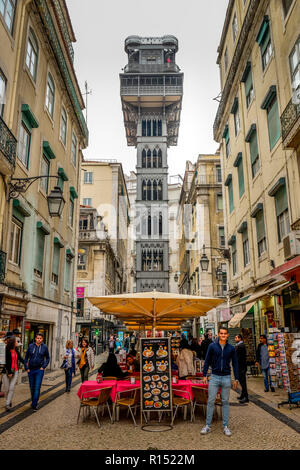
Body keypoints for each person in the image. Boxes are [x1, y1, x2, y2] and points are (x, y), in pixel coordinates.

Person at [201, 326, 239, 437]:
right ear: (218, 334)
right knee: (211, 401)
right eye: (221, 333)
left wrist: (236, 378)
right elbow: (207, 360)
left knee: (225, 402)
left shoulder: (231, 348)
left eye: (225, 333)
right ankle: (207, 425)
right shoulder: (212, 346)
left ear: (227, 335)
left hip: (226, 377)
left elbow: (235, 364)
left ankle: (226, 426)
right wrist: (204, 375)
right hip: (214, 376)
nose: (223, 335)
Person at [24, 332, 50, 411]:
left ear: (42, 339)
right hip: (31, 370)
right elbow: (26, 358)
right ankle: (33, 401)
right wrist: (26, 368)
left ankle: (35, 404)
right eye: (37, 338)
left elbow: (48, 358)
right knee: (32, 387)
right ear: (35, 338)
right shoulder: (31, 346)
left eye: (40, 338)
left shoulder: (44, 347)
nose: (39, 340)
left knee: (37, 387)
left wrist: (43, 367)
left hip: (39, 370)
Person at [2, 335, 24, 411]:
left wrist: (26, 363)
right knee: (7, 389)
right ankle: (9, 400)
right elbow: (6, 362)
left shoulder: (16, 349)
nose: (18, 343)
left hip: (15, 371)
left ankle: (7, 404)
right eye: (16, 341)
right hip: (6, 371)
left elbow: (20, 359)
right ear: (13, 342)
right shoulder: (6, 349)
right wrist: (9, 372)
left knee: (11, 388)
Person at [235, 334, 249, 403]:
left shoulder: (241, 346)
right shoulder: (239, 345)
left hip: (241, 367)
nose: (235, 339)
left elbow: (239, 357)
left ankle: (246, 397)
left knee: (243, 382)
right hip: (241, 366)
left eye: (236, 338)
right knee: (241, 381)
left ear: (240, 338)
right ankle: (243, 395)